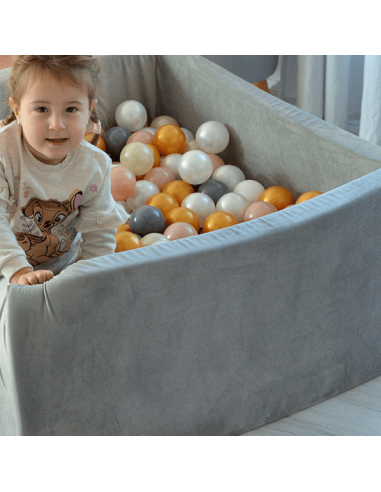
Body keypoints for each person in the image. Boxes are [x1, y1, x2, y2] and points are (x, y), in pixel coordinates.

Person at [0, 56, 129, 286]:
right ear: (17, 109)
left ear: (89, 110)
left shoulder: (94, 165)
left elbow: (99, 233)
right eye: (41, 109)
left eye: (71, 109)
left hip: (65, 269)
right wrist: (18, 271)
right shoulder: (4, 154)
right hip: (6, 267)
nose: (57, 124)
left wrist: (92, 277)